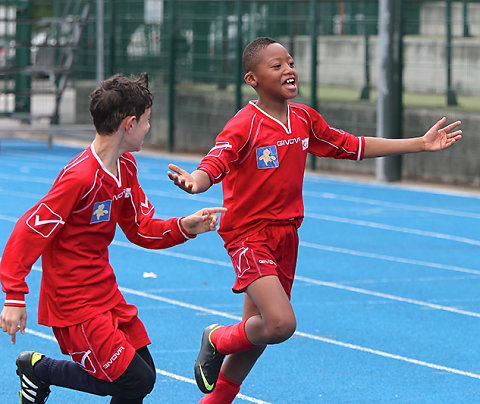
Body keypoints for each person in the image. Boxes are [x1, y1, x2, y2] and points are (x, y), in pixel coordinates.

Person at [167, 37, 463, 403]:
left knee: (259, 335)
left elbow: (350, 145)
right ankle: (216, 337)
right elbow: (214, 163)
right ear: (252, 79)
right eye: (276, 66)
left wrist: (418, 143)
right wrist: (194, 183)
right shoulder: (244, 125)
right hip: (248, 236)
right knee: (279, 324)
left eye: (289, 62)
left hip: (287, 236)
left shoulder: (304, 118)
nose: (288, 69)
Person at [0, 73, 226, 403]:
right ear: (130, 124)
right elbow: (28, 231)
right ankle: (40, 370)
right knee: (133, 380)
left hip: (105, 292)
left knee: (142, 374)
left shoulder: (126, 168)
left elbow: (141, 228)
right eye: (147, 121)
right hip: (73, 302)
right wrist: (14, 297)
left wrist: (185, 226)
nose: (149, 128)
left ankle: (38, 370)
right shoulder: (80, 178)